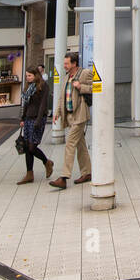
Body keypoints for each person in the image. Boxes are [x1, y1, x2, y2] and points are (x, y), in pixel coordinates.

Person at [49, 53, 92, 189]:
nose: (64, 66)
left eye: (67, 63)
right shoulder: (67, 77)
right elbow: (62, 97)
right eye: (64, 63)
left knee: (70, 144)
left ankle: (64, 177)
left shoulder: (85, 73)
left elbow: (96, 87)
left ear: (74, 64)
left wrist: (81, 87)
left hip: (80, 115)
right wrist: (57, 113)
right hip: (70, 115)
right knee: (80, 145)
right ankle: (87, 172)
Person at [17, 65, 53, 184]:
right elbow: (26, 104)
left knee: (32, 147)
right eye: (26, 76)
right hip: (28, 119)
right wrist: (22, 118)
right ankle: (29, 174)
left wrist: (38, 120)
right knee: (27, 147)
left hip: (38, 119)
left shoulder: (43, 86)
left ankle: (46, 162)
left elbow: (43, 104)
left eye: (30, 75)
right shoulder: (28, 87)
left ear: (36, 75)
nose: (27, 78)